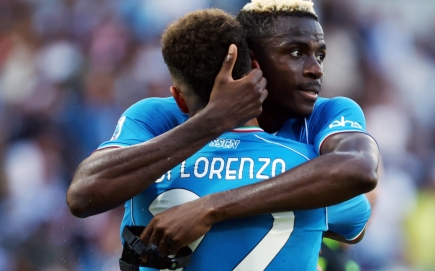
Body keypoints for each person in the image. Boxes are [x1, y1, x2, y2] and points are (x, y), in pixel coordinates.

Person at [67, 0, 378, 254]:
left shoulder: (327, 113)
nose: (316, 69)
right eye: (296, 53)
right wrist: (213, 122)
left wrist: (211, 207)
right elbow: (83, 194)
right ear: (251, 62)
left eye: (320, 54)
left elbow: (359, 169)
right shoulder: (159, 115)